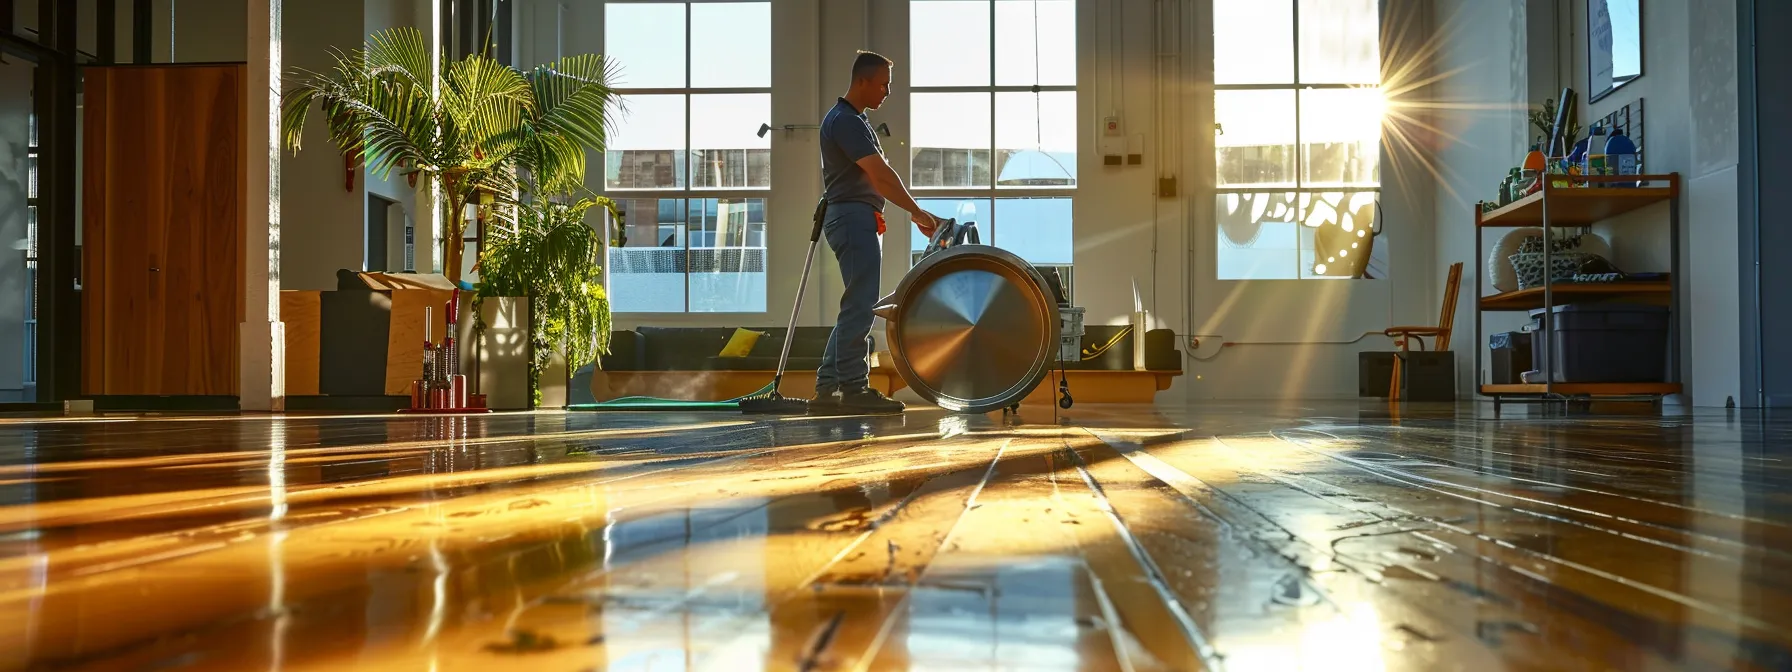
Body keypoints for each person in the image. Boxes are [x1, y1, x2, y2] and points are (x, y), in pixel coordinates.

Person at [809, 50, 940, 415]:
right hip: (852, 217)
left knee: (857, 302)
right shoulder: (847, 122)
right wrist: (916, 211)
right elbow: (880, 175)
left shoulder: (855, 120)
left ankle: (829, 387)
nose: (887, 91)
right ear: (863, 81)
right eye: (883, 83)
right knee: (861, 304)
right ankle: (851, 387)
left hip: (857, 216)